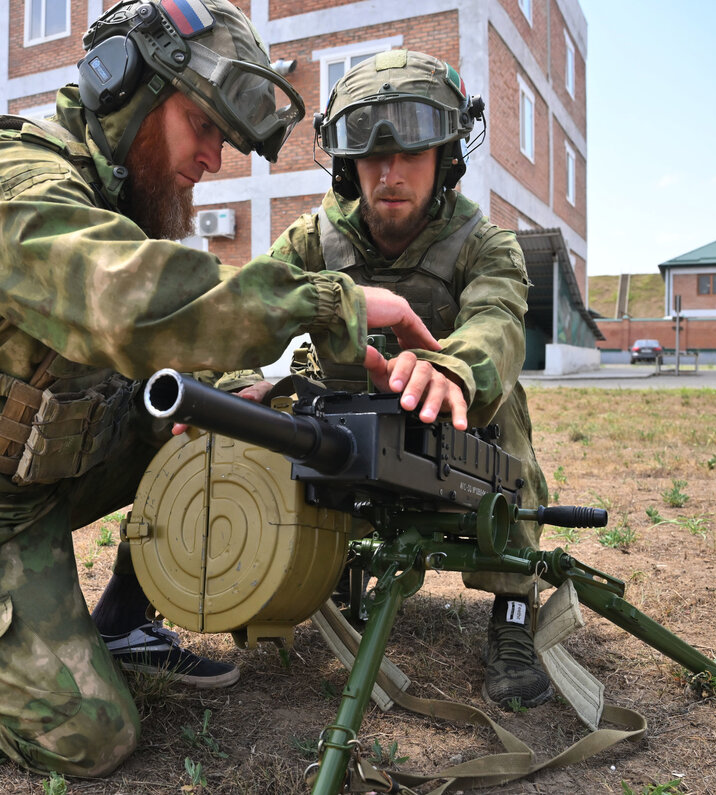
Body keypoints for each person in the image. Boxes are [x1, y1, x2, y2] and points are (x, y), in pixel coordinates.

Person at [0, 0, 447, 778]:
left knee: (227, 416)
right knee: (89, 737)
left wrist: (241, 393)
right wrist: (329, 301)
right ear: (128, 90)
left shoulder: (115, 198)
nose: (212, 159)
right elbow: (132, 302)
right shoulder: (5, 184)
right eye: (202, 127)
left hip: (31, 466)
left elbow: (163, 353)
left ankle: (123, 617)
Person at [236, 51, 552, 711]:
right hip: (347, 424)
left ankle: (514, 607)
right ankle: (306, 573)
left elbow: (497, 320)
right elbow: (240, 309)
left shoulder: (481, 244)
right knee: (274, 399)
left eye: (411, 152)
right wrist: (239, 381)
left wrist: (453, 367)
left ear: (445, 156)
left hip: (458, 422)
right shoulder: (311, 241)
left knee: (510, 406)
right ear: (347, 164)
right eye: (371, 155)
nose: (390, 173)